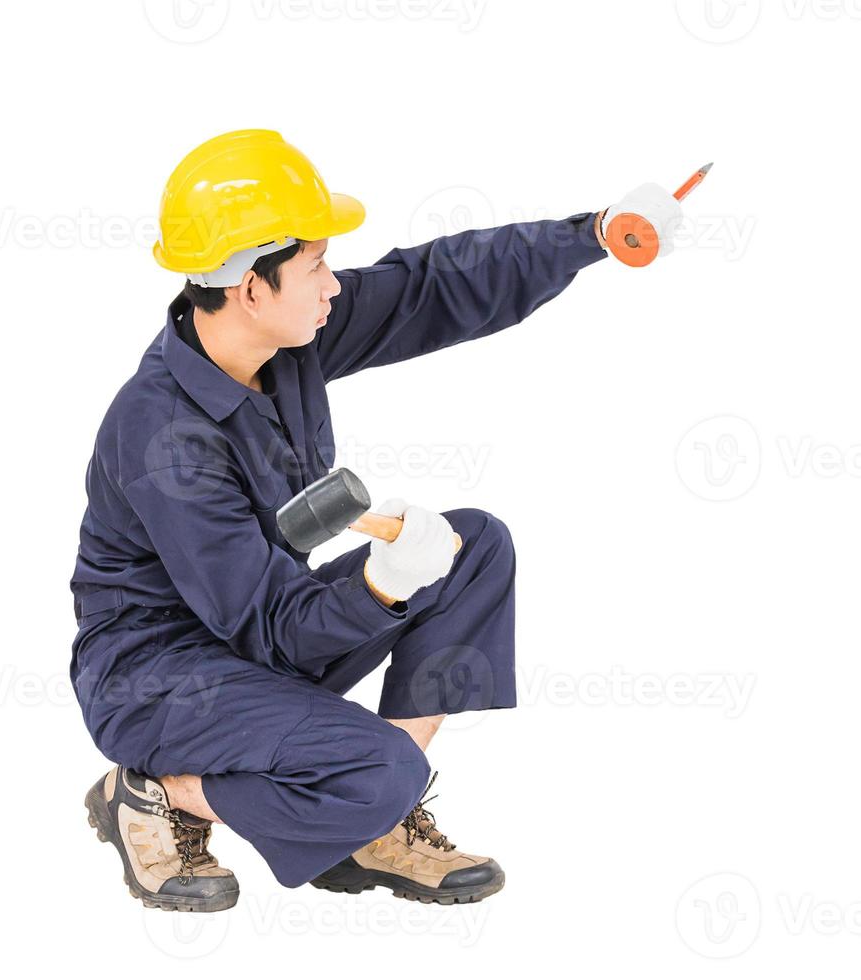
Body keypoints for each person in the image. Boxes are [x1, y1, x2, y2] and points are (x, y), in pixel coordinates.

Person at [70, 129, 683, 912]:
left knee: (473, 547)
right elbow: (269, 625)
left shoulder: (281, 341)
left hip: (249, 637)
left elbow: (428, 287)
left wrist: (591, 234)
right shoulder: (163, 439)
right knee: (382, 768)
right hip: (158, 679)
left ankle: (376, 824)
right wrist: (380, 586)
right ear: (250, 286)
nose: (334, 285)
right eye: (316, 265)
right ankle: (160, 791)